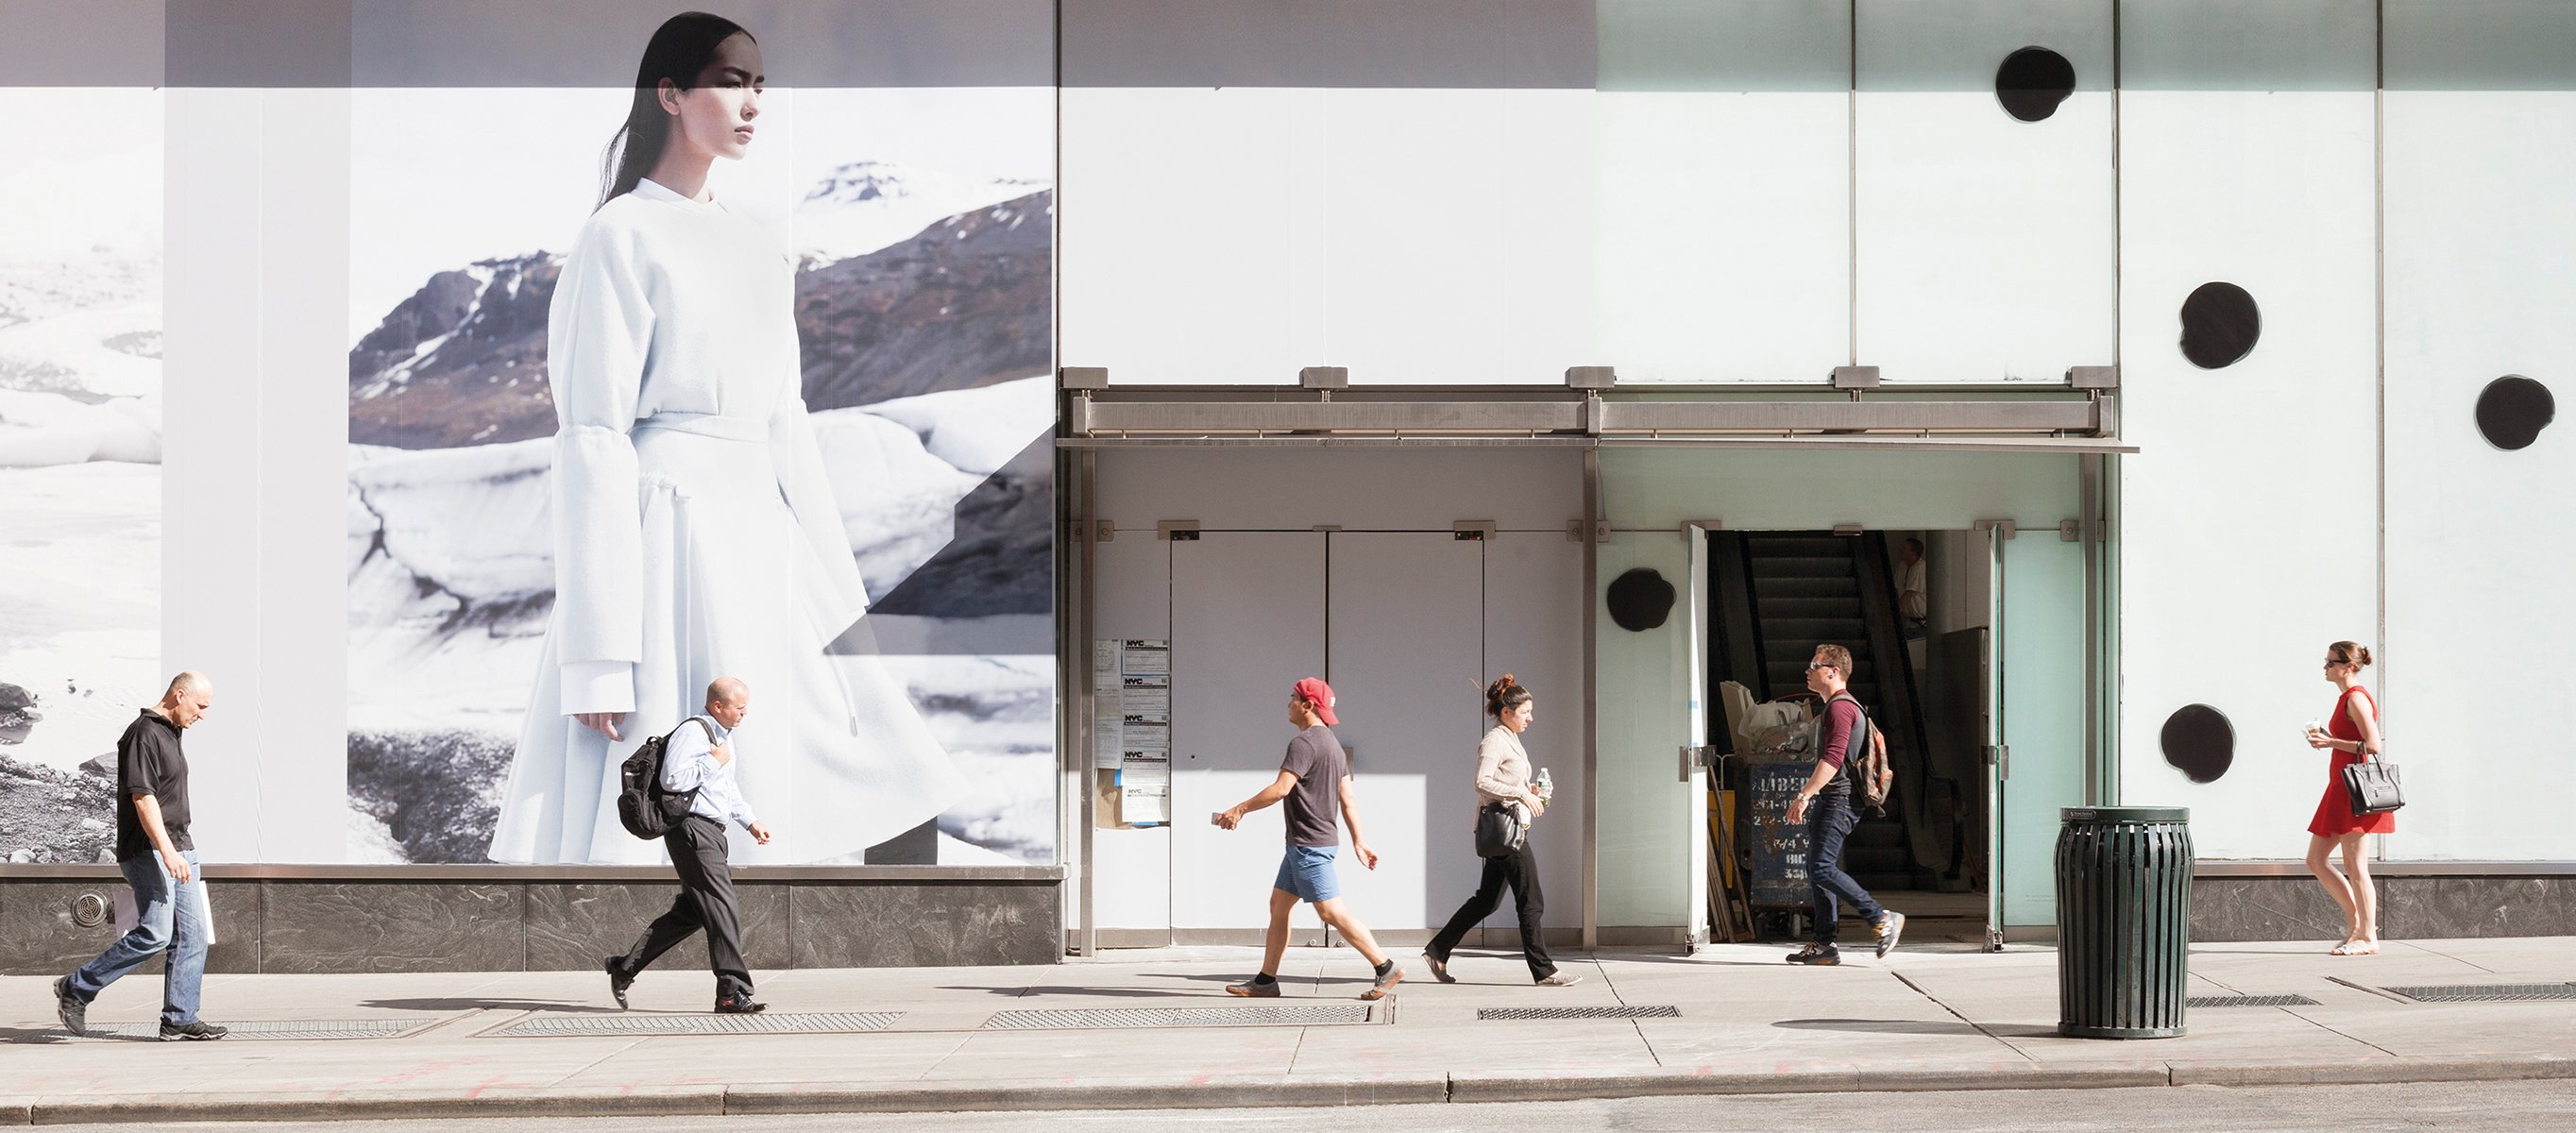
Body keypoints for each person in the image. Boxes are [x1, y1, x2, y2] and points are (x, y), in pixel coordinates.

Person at [487, 11, 971, 866]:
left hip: (761, 536)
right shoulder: (618, 237)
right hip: (667, 537)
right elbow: (594, 436)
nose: (751, 103)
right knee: (666, 773)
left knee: (814, 756)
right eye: (728, 82)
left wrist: (840, 601)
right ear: (668, 95)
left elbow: (788, 424)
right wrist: (600, 656)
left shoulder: (759, 250)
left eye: (758, 86)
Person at [54, 672, 227, 1040]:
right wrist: (167, 852)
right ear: (180, 696)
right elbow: (143, 798)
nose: (203, 715)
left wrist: (180, 850)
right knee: (155, 934)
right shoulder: (143, 733)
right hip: (151, 851)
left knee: (193, 936)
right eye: (200, 706)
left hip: (181, 847)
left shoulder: (170, 731)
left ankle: (179, 1019)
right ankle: (77, 986)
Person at [1215, 678, 1403, 1001]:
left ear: (1308, 706)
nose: (1288, 702)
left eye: (1293, 698)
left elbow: (1281, 789)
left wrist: (1240, 809)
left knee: (1331, 912)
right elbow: (1348, 799)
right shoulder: (1332, 745)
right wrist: (1359, 840)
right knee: (1279, 906)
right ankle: (1265, 981)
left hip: (1309, 846)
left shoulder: (1303, 744)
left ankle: (1385, 967)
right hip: (1310, 844)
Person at [606, 677, 774, 1013]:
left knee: (691, 914)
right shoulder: (694, 733)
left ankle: (625, 967)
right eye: (740, 709)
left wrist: (749, 820)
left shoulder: (721, 738)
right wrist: (713, 760)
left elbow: (724, 788)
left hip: (711, 831)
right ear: (718, 706)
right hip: (692, 831)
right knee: (723, 906)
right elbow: (673, 779)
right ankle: (731, 992)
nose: (745, 715)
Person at [1422, 674, 1577, 987]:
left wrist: (1529, 788)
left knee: (1486, 900)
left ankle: (1438, 950)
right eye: (1525, 712)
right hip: (1507, 832)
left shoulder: (1510, 737)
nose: (1530, 718)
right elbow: (1482, 781)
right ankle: (1544, 971)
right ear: (1506, 711)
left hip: (1507, 828)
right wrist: (1520, 794)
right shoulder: (1494, 740)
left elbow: (1503, 779)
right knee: (1531, 900)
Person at [1783, 646, 1905, 965]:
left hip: (1838, 799)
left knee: (1821, 867)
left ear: (1833, 671)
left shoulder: (1840, 709)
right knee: (1818, 869)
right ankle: (1825, 945)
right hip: (1834, 798)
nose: (1807, 671)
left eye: (1814, 665)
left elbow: (1833, 759)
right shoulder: (1838, 708)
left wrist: (1803, 795)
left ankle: (1881, 918)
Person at [2305, 641, 2389, 956]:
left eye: (2330, 662)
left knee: (2356, 866)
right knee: (2316, 860)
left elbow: (2374, 745)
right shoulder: (2346, 699)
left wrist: (2330, 742)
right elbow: (2353, 740)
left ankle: (2368, 937)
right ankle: (2357, 924)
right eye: (2325, 661)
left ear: (2348, 666)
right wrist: (2331, 739)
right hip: (2340, 787)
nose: (2325, 667)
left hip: (2355, 790)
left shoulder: (2355, 698)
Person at [1895, 537, 1928, 640]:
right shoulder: (1902, 566)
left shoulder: (1920, 568)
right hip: (1908, 621)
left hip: (1921, 623)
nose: (1901, 550)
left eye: (1905, 548)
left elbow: (1909, 594)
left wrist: (1893, 615)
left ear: (1913, 553)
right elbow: (1896, 589)